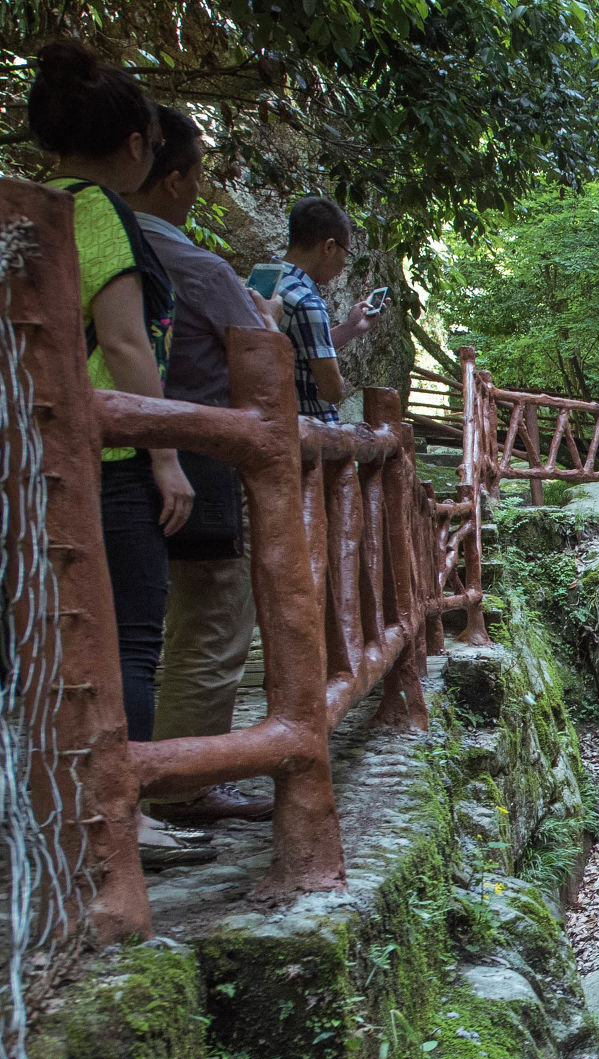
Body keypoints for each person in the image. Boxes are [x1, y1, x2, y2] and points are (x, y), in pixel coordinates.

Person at [28, 42, 211, 868]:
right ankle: (122, 818)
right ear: (137, 144)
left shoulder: (23, 206)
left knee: (48, 640)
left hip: (34, 460)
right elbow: (128, 349)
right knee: (129, 639)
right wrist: (166, 455)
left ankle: (55, 815)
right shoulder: (97, 213)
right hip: (108, 461)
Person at [127, 104, 276, 825]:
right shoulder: (193, 265)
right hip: (202, 457)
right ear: (176, 176)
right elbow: (263, 361)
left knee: (130, 628)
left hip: (104, 460)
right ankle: (183, 781)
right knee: (212, 623)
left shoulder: (83, 242)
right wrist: (266, 315)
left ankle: (136, 780)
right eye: (195, 174)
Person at [273, 196, 377, 425]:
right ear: (329, 246)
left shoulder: (264, 278)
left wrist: (351, 328)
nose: (343, 265)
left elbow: (297, 347)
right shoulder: (307, 301)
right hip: (305, 438)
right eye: (346, 254)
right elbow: (333, 390)